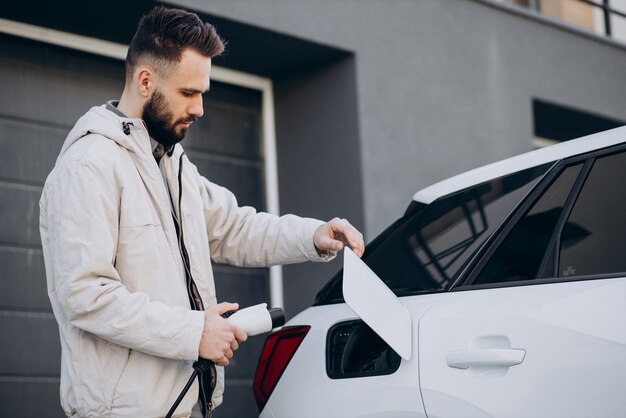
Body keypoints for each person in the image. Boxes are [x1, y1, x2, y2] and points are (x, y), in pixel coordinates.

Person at [39, 6, 364, 418]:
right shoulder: (89, 165)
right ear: (145, 81)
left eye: (202, 94)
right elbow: (85, 295)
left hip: (187, 401)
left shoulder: (172, 164)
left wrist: (314, 235)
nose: (199, 109)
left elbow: (234, 227)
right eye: (188, 93)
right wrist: (195, 332)